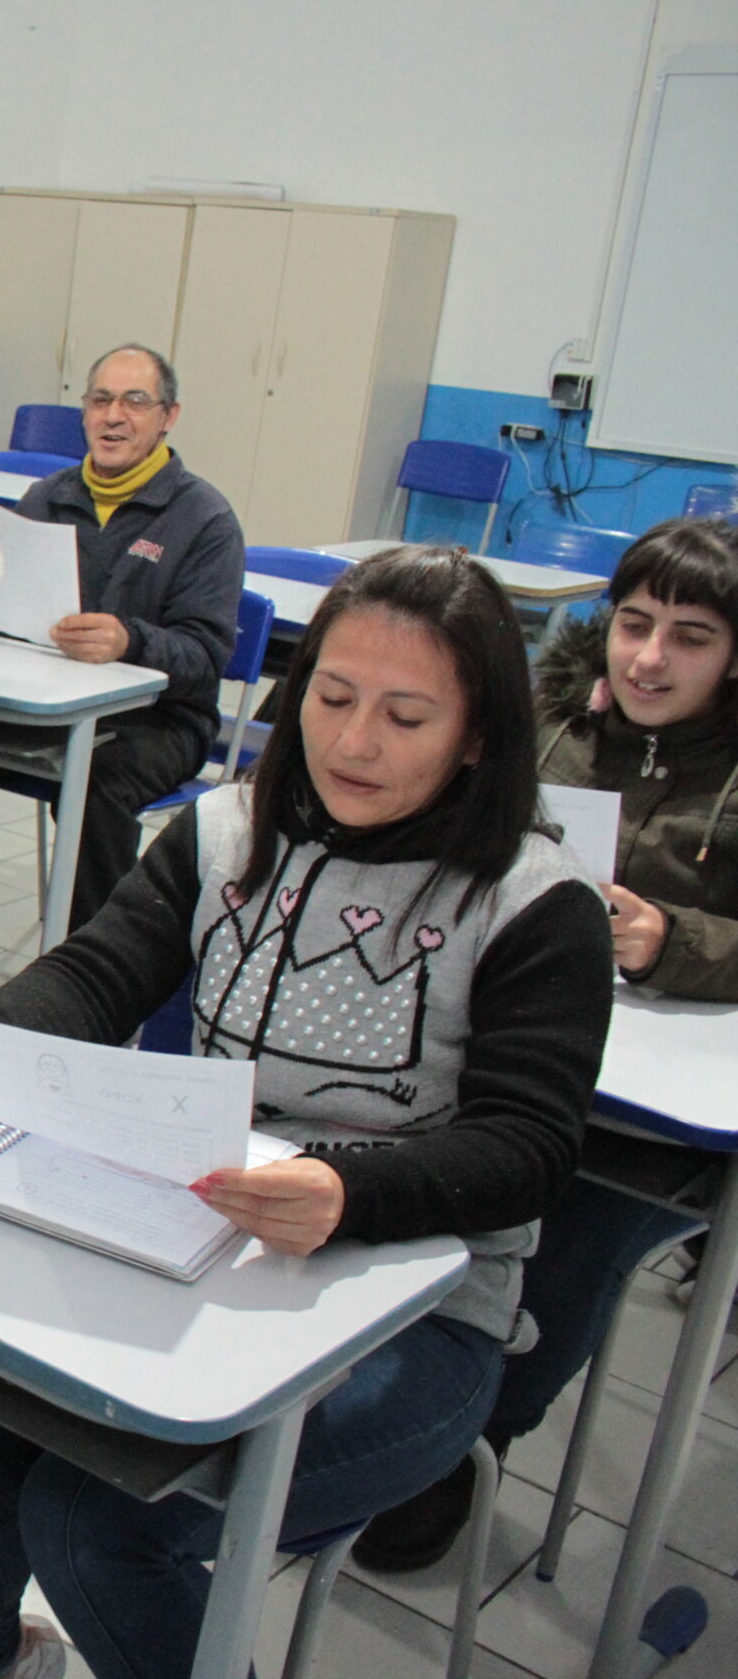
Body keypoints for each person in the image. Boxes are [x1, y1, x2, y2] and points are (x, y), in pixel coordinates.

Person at [0, 546, 613, 1679]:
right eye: (333, 697)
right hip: (203, 1250)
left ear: (477, 735)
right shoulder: (229, 833)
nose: (354, 742)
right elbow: (100, 973)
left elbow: (530, 1148)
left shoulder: (534, 904)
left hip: (417, 1315)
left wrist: (351, 1188)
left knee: (93, 1523)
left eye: (406, 717)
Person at [353, 515, 738, 1573]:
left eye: (691, 637)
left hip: (658, 1104)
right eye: (634, 623)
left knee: (566, 1246)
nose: (650, 657)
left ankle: (468, 1443)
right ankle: (360, 1393)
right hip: (509, 1030)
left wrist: (676, 941)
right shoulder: (554, 724)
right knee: (397, 1163)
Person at [0, 343, 245, 929]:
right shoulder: (49, 496)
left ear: (168, 416)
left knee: (96, 781)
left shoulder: (204, 519)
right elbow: (5, 596)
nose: (112, 416)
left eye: (134, 401)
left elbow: (206, 655)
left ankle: (86, 969)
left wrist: (131, 641)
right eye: (100, 399)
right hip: (44, 702)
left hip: (157, 720)